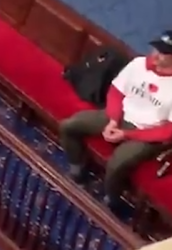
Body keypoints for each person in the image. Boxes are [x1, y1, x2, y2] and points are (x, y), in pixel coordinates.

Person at [60, 34, 172, 208]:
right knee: (70, 126)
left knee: (117, 163)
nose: (156, 54)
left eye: (163, 53)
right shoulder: (138, 64)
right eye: (156, 48)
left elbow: (167, 131)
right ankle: (78, 171)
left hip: (146, 133)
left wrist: (127, 134)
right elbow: (116, 91)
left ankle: (111, 201)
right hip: (120, 116)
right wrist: (113, 119)